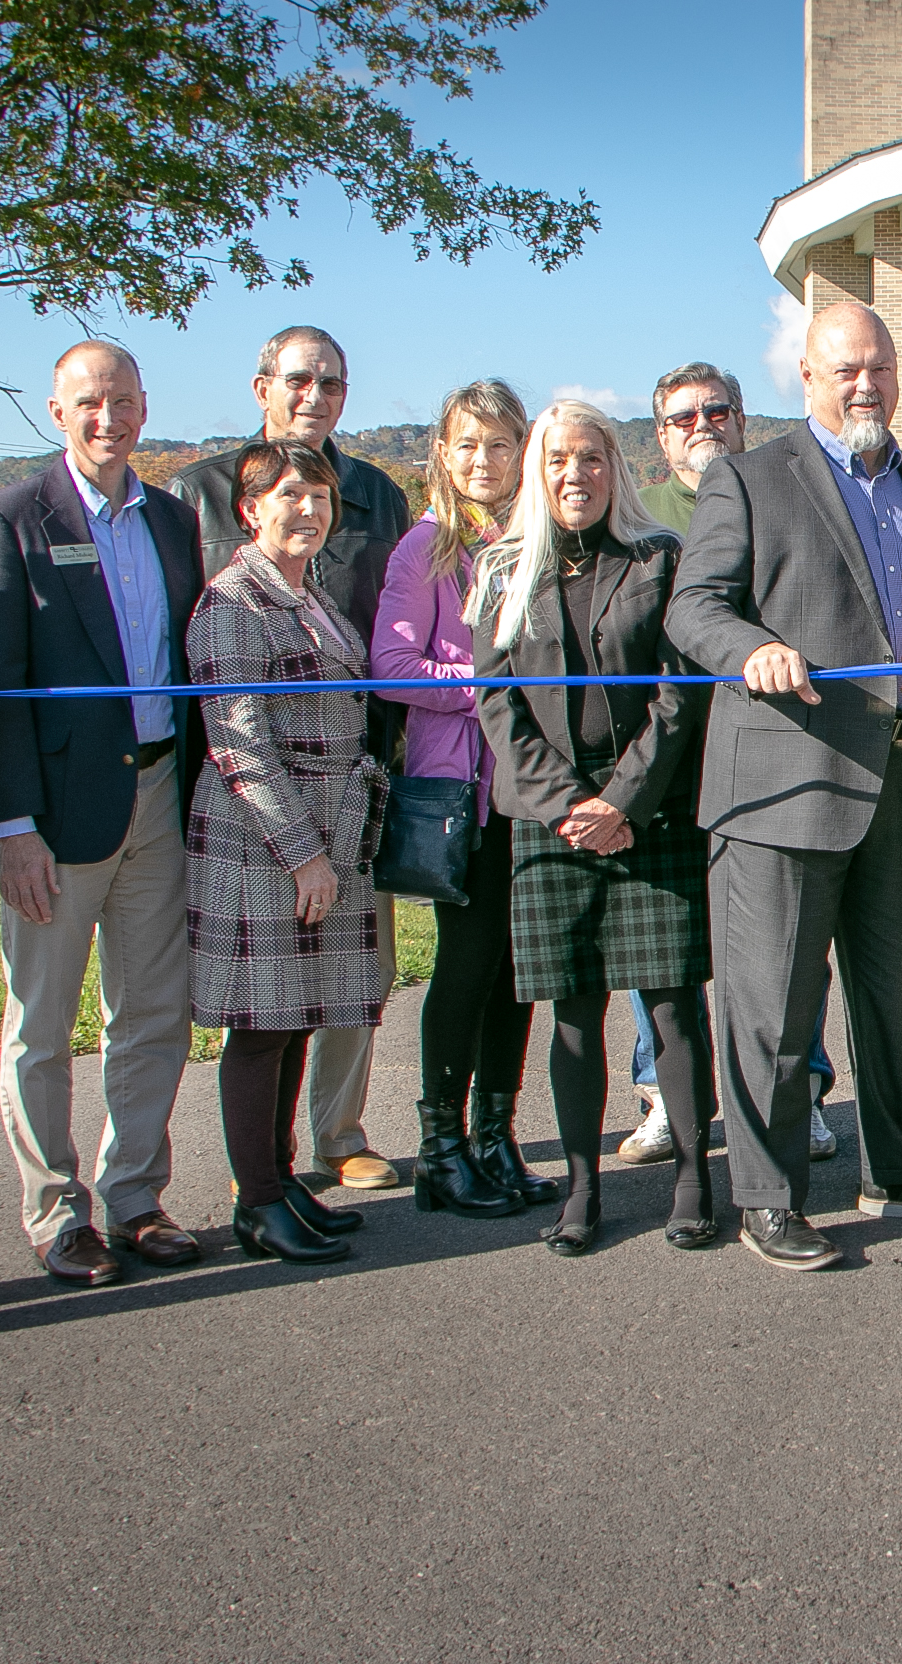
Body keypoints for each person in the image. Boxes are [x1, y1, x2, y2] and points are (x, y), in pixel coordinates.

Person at [665, 300, 902, 1271]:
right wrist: (756, 648)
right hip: (784, 775)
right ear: (806, 377)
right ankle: (769, 1199)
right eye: (846, 367)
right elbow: (696, 608)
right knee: (772, 1005)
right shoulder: (748, 476)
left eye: (881, 368)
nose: (867, 384)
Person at [0, 340, 210, 1287]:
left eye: (124, 402)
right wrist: (10, 824)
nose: (109, 419)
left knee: (153, 1012)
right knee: (43, 1021)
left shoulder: (175, 523)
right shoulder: (5, 519)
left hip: (157, 797)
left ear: (145, 409)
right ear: (58, 410)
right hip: (56, 816)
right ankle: (58, 1213)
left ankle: (136, 1197)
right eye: (89, 402)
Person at [167, 326, 412, 1192]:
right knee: (266, 1008)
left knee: (339, 985)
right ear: (263, 384)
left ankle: (334, 1140)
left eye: (334, 383)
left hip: (347, 789)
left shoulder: (379, 495)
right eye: (300, 379)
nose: (316, 396)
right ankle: (259, 1186)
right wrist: (290, 835)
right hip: (257, 802)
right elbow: (225, 703)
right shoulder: (193, 495)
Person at [472, 402, 716, 1254]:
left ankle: (693, 1178)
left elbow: (680, 693)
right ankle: (582, 1189)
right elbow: (497, 704)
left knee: (674, 1008)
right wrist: (569, 805)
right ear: (536, 473)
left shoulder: (659, 559)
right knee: (573, 1014)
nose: (574, 475)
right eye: (557, 460)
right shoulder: (503, 570)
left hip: (649, 814)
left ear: (615, 467)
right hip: (553, 825)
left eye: (591, 458)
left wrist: (624, 799)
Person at [620, 358, 837, 1166]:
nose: (702, 425)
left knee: (791, 943)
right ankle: (662, 1097)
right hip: (673, 756)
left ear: (743, 420)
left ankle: (803, 1091)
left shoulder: (774, 487)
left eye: (719, 410)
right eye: (682, 417)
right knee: (666, 943)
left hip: (771, 749)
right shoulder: (637, 517)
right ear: (660, 434)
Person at [186, 441, 390, 1264]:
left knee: (299, 1016)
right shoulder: (232, 604)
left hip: (327, 830)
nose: (308, 511)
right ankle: (257, 1203)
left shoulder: (310, 599)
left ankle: (281, 1179)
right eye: (291, 496)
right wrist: (304, 855)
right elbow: (238, 745)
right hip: (262, 838)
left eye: (320, 497)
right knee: (263, 1024)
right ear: (250, 509)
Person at [373, 379, 534, 1221]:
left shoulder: (540, 539)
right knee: (467, 968)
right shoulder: (425, 549)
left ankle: (496, 1137)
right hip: (461, 790)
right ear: (443, 452)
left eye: (500, 444)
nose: (484, 460)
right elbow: (393, 668)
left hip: (530, 788)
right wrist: (493, 687)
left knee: (516, 974)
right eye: (468, 444)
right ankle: (441, 1150)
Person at [642, 361, 748, 536]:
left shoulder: (779, 500)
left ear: (740, 423)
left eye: (716, 412)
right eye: (684, 418)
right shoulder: (633, 513)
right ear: (663, 438)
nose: (702, 424)